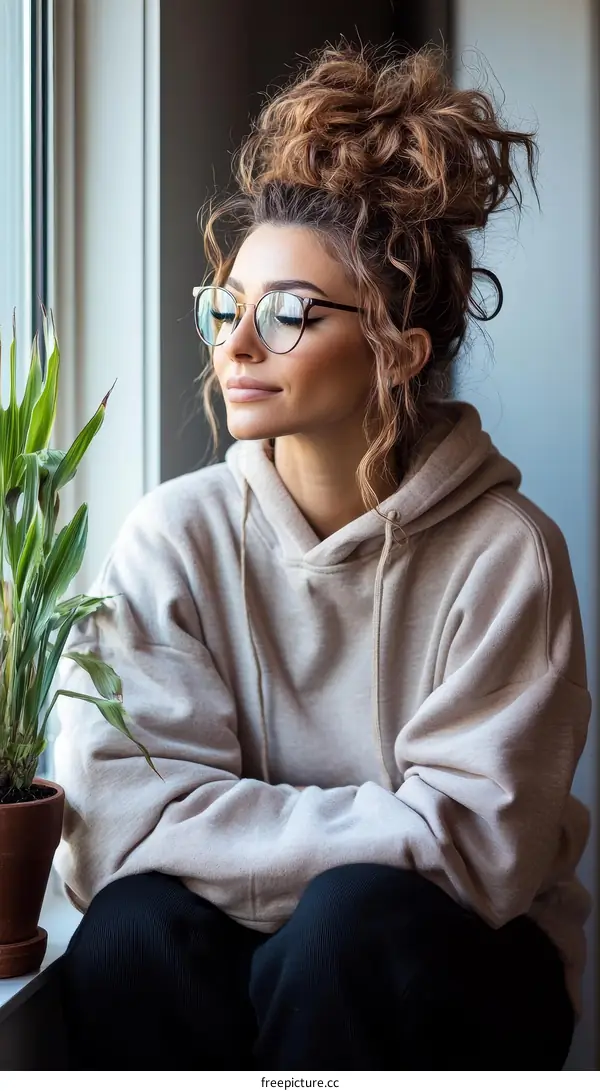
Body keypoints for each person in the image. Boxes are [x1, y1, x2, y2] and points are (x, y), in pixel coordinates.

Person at [55, 41, 590, 1072]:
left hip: (468, 966)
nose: (237, 343)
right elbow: (112, 828)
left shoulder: (507, 554)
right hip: (258, 951)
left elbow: (476, 852)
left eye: (290, 312)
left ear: (400, 346)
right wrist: (391, 823)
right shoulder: (176, 536)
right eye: (227, 304)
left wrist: (220, 825)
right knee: (129, 929)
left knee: (348, 924)